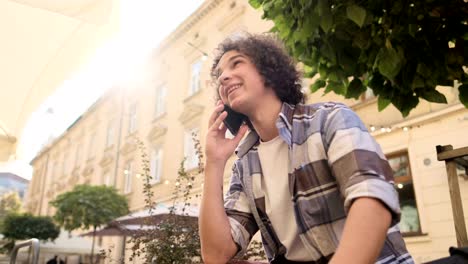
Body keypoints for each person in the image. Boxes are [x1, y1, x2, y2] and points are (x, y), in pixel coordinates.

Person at [199, 33, 414, 264]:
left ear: (267, 69)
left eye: (236, 63)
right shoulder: (245, 164)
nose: (223, 77)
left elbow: (372, 201)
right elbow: (216, 254)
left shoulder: (329, 119)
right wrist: (214, 162)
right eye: (220, 74)